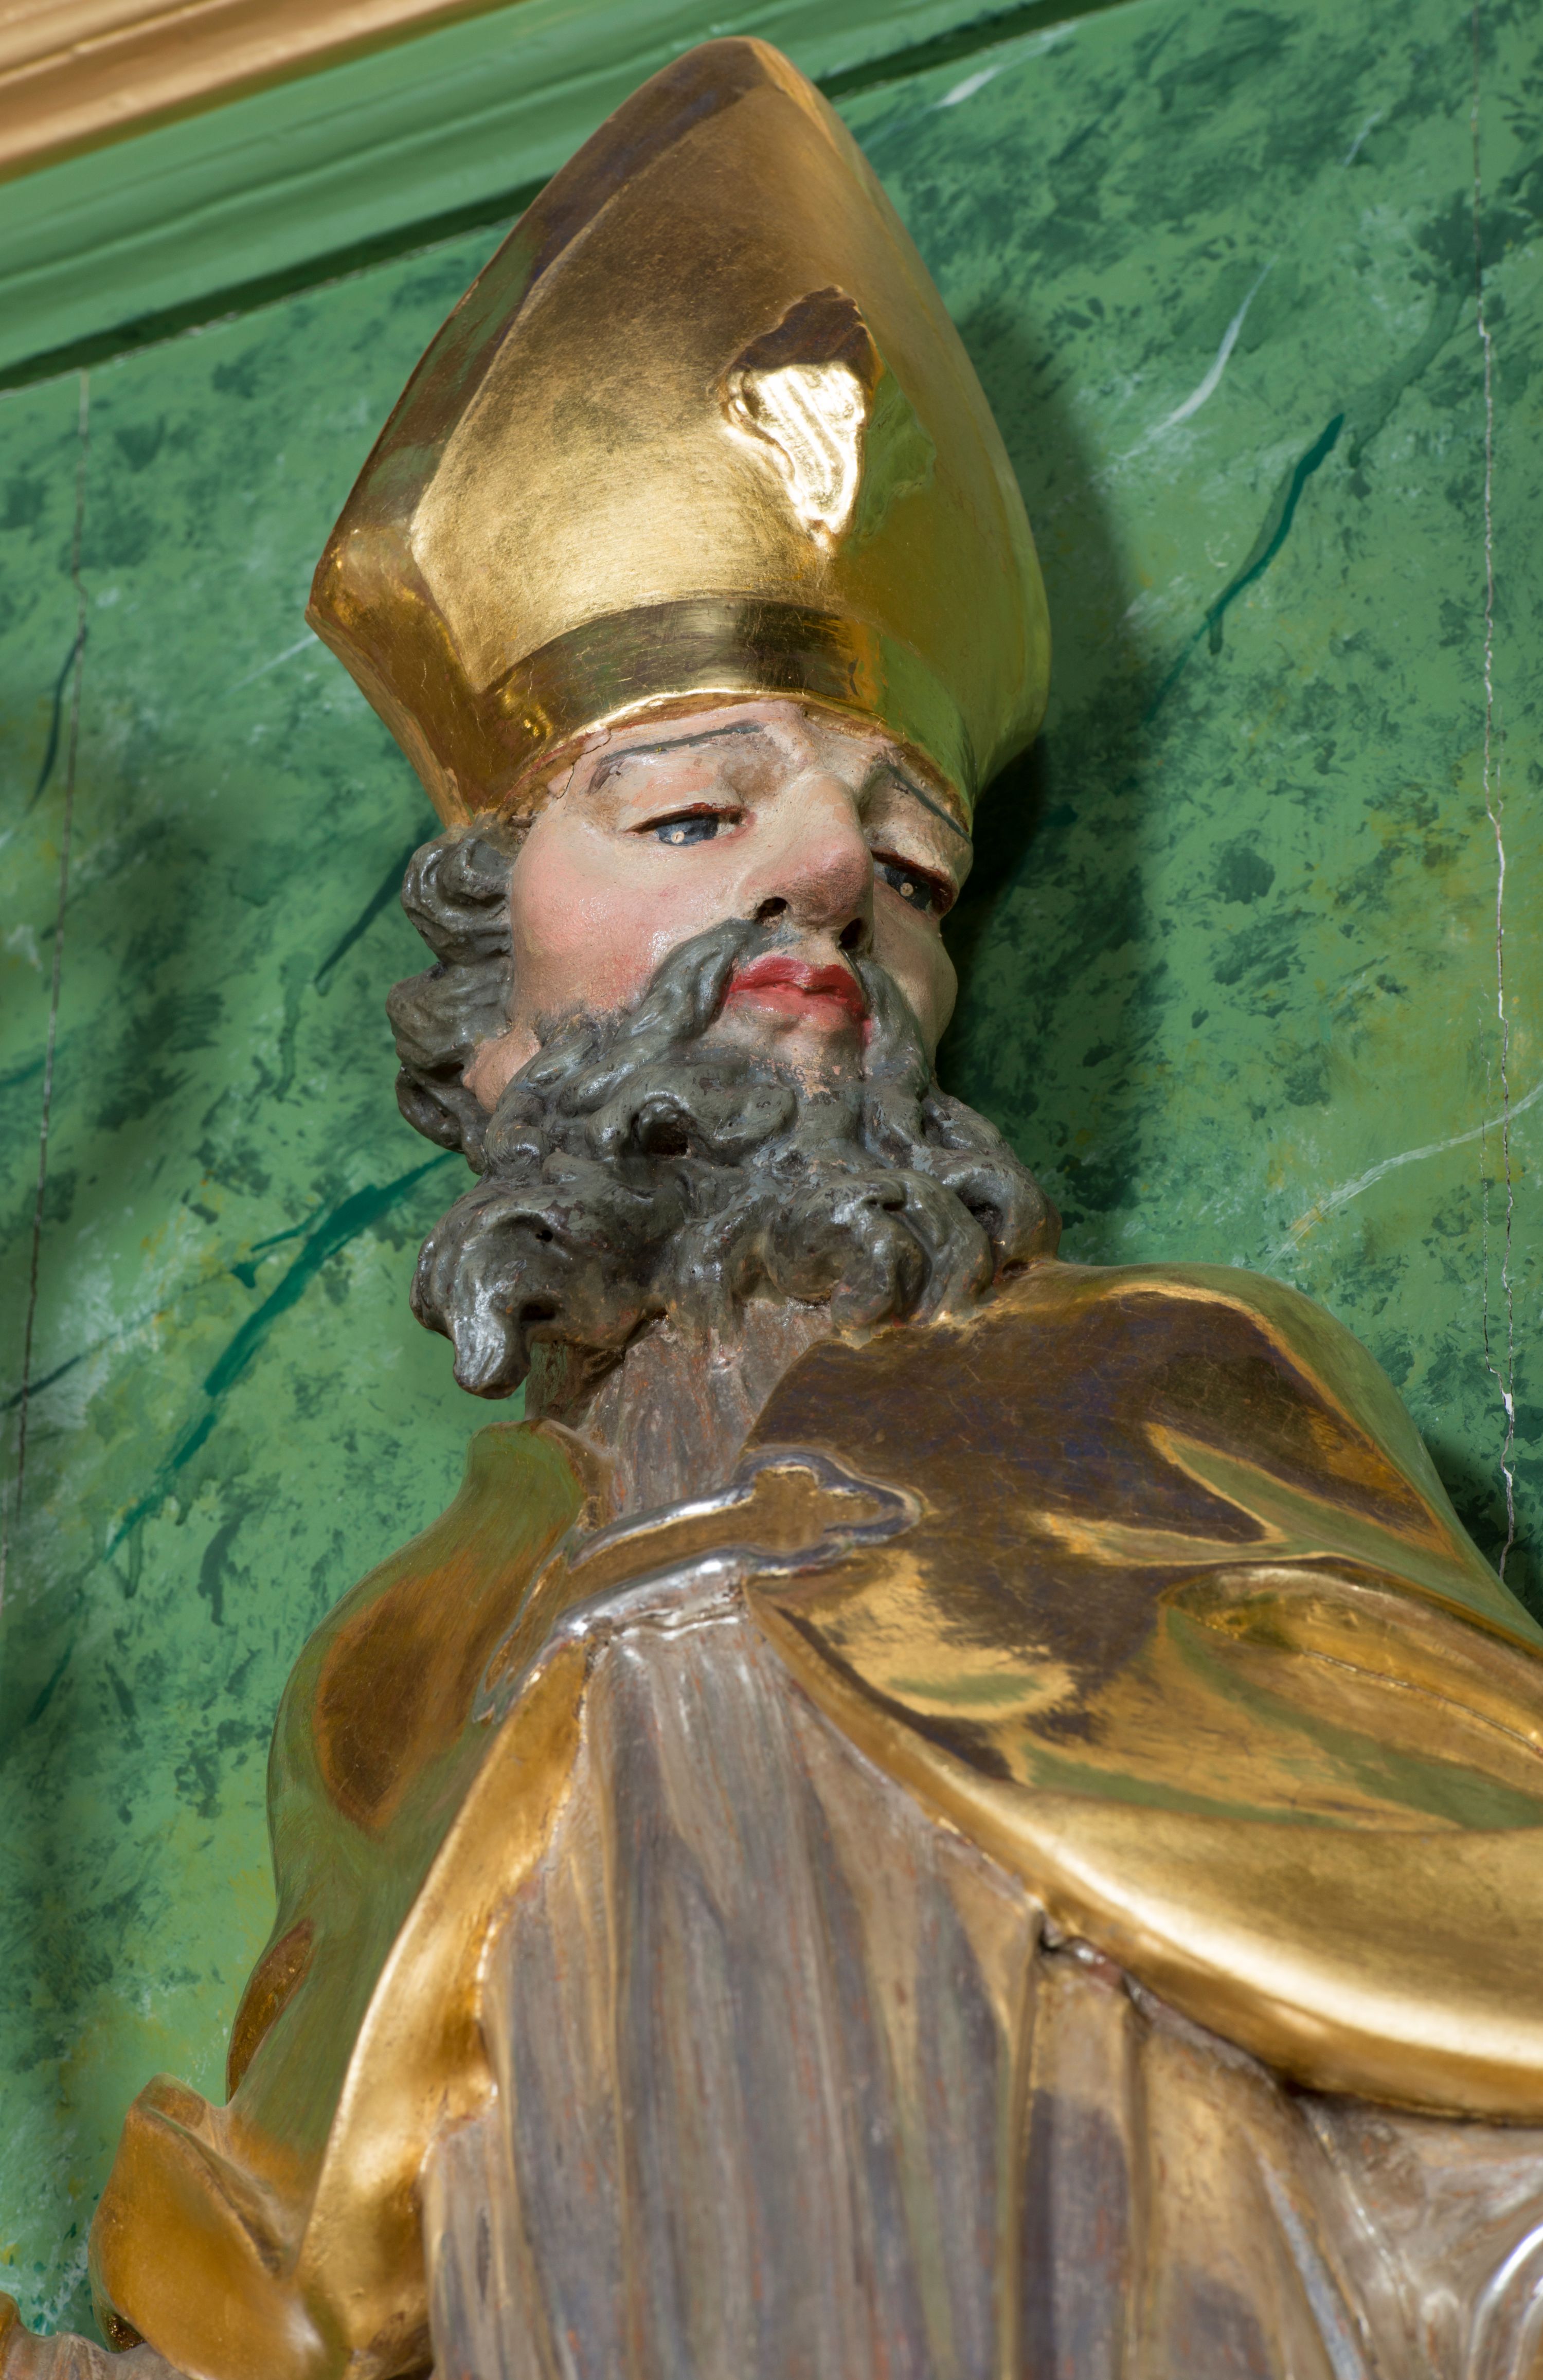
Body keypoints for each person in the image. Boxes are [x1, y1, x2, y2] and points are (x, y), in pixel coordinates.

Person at [12, 34, 1543, 2380]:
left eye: (908, 866)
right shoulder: (400, 1666)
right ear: (483, 1004)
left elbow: (1454, 1975)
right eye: (693, 816)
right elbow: (328, 2286)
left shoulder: (1170, 1388)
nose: (830, 869)